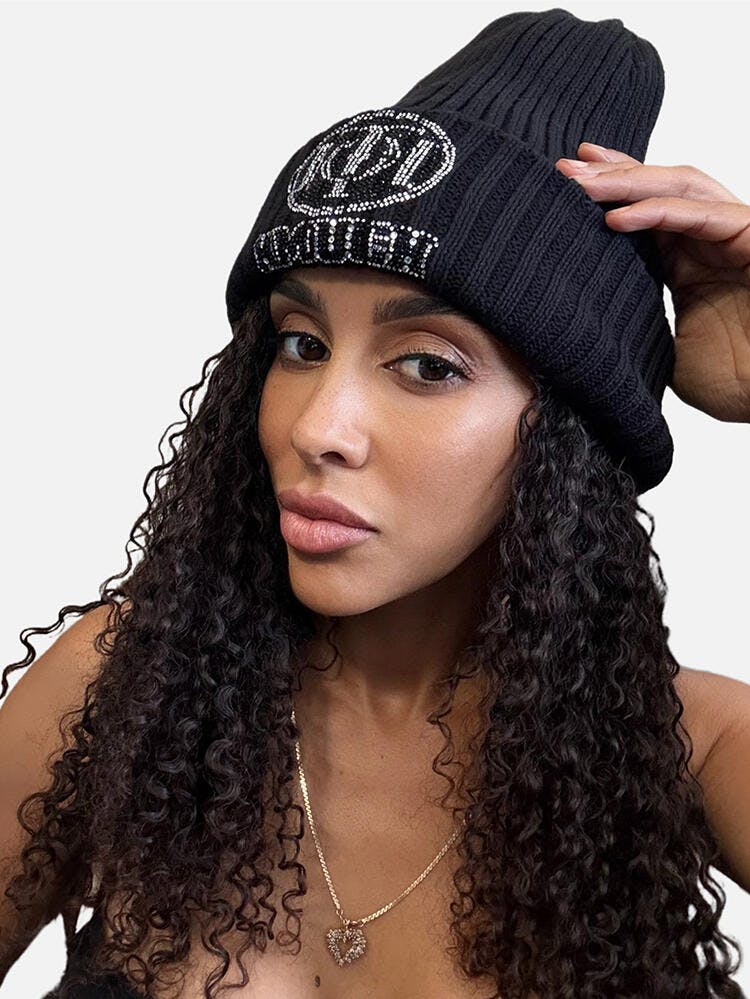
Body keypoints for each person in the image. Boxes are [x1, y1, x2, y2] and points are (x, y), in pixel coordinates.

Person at [1, 7, 749, 999]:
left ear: (570, 434)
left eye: (427, 365)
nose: (319, 426)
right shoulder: (123, 688)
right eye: (301, 344)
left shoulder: (691, 750)